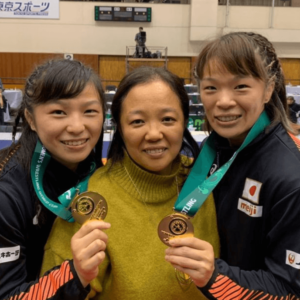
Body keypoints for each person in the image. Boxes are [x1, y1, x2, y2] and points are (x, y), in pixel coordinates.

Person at [41, 66, 220, 299]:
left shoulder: (204, 181)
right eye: (137, 122)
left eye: (167, 119)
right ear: (120, 128)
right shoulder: (91, 199)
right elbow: (52, 290)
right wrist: (77, 275)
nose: (154, 133)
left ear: (185, 121)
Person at [164, 32, 300, 299]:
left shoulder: (291, 177)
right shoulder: (213, 149)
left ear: (268, 90)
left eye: (241, 87)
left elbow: (290, 290)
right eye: (211, 87)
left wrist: (214, 276)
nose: (223, 101)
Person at [0, 59, 111, 300]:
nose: (76, 127)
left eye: (90, 111)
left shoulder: (101, 173)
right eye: (59, 112)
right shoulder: (7, 195)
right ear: (30, 119)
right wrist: (74, 276)